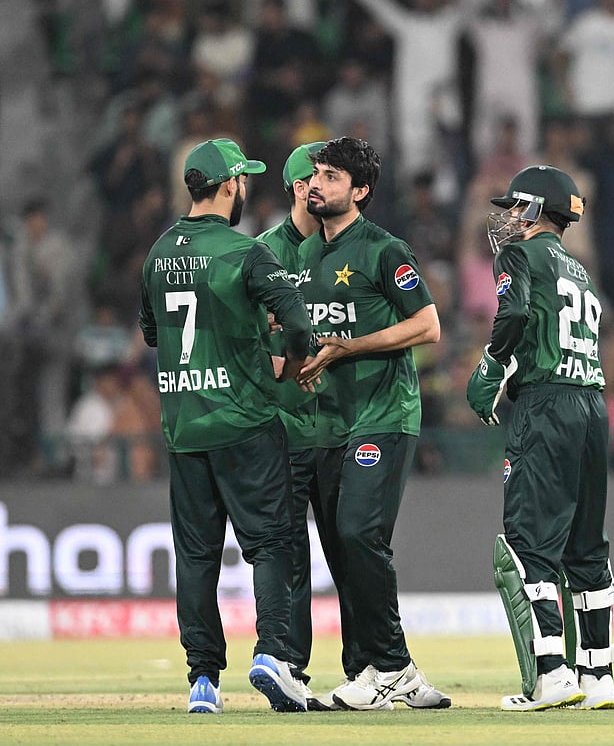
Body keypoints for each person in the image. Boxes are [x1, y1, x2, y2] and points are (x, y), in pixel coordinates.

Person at [139, 138, 313, 714]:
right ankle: (273, 656)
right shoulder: (245, 253)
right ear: (231, 185)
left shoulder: (157, 255)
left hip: (184, 427)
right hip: (244, 422)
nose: (247, 191)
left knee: (195, 556)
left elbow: (151, 333)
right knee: (271, 544)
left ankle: (203, 681)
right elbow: (296, 317)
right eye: (245, 182)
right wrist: (291, 361)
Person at [293, 136, 450, 711]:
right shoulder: (307, 257)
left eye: (331, 176)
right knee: (344, 549)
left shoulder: (385, 250)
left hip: (384, 415)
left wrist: (348, 349)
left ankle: (395, 667)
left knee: (359, 533)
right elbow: (313, 340)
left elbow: (428, 326)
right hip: (329, 424)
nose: (316, 184)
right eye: (315, 174)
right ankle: (368, 671)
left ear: (359, 191)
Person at [467, 164, 614, 711]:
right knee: (586, 547)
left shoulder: (520, 255)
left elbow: (512, 311)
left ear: (534, 210)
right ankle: (599, 674)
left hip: (548, 405)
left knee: (528, 542)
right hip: (593, 405)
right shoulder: (580, 272)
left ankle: (553, 673)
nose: (507, 216)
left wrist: (491, 369)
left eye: (515, 206)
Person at [256, 141, 351, 710]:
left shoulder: (350, 247)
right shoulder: (263, 255)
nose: (325, 187)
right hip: (287, 431)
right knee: (290, 557)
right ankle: (289, 670)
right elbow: (254, 355)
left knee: (352, 553)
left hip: (343, 427)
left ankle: (368, 669)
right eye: (316, 179)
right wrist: (300, 363)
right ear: (299, 188)